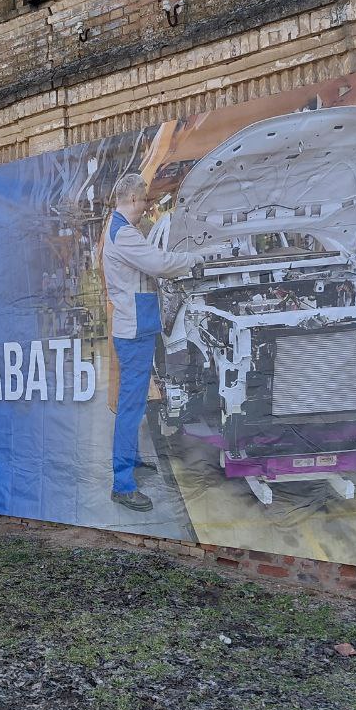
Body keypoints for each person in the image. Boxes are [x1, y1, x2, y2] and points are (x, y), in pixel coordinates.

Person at [102, 173, 203, 511]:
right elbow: (158, 264)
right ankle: (122, 483)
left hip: (139, 328)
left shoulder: (120, 229)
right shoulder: (124, 233)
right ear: (133, 199)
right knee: (130, 408)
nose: (147, 207)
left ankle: (129, 463)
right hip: (133, 332)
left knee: (138, 403)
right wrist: (194, 260)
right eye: (145, 201)